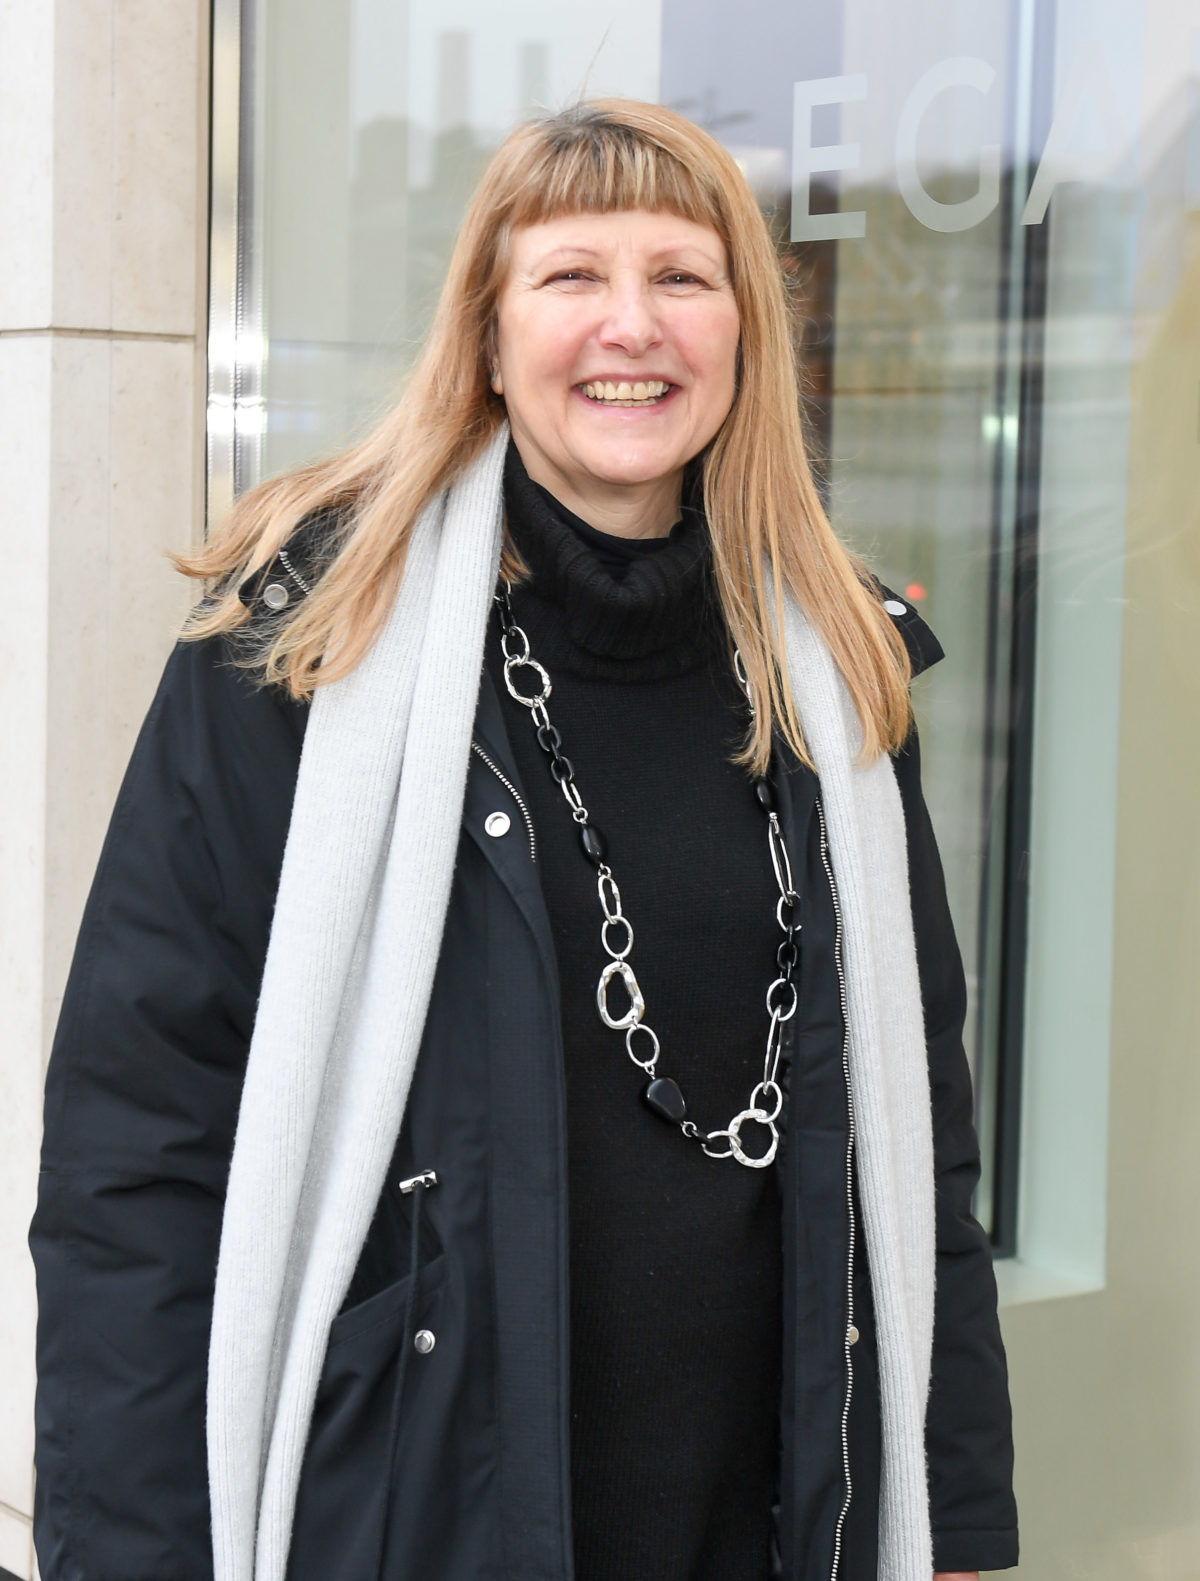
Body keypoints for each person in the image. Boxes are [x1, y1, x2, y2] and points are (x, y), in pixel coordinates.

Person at [30, 99, 1017, 1581]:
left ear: (745, 336)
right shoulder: (305, 645)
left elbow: (919, 1137)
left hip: (768, 1523)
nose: (634, 325)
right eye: (571, 276)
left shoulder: (839, 672)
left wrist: (954, 1517)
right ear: (488, 338)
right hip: (415, 1519)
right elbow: (141, 1152)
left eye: (682, 276)